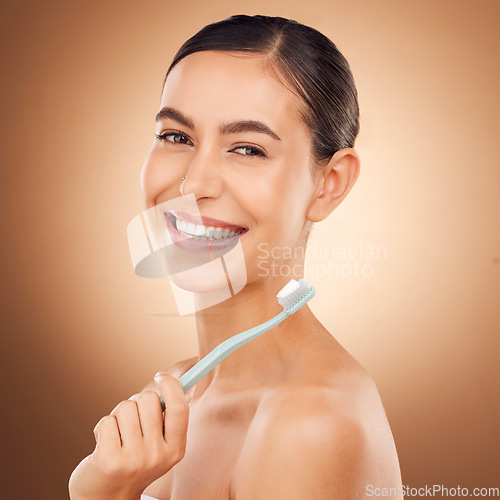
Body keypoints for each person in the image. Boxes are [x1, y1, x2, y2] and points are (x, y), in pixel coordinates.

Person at [69, 14, 403, 500]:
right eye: (176, 137)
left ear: (330, 184)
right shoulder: (182, 387)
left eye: (247, 148)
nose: (192, 185)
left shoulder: (310, 425)